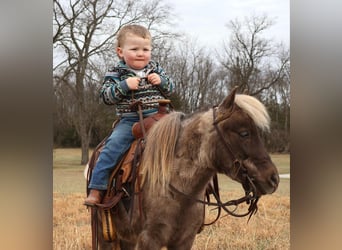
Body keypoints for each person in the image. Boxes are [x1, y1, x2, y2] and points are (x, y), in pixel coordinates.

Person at [84, 24, 174, 206]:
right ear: (120, 52)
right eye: (134, 49)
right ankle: (97, 188)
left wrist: (162, 81)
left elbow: (171, 89)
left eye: (145, 49)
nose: (141, 53)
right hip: (131, 120)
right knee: (112, 147)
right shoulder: (116, 73)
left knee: (190, 137)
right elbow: (106, 97)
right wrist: (124, 86)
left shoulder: (155, 68)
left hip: (162, 117)